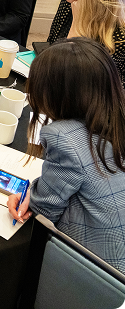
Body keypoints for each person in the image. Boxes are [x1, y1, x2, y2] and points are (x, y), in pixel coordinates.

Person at [7, 38, 125, 274]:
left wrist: (28, 193)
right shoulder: (116, 121)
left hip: (90, 271)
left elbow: (44, 210)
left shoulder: (65, 138)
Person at [46, 0, 125, 85]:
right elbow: (51, 47)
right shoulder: (68, 3)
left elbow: (72, 77)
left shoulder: (119, 38)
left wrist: (77, 26)